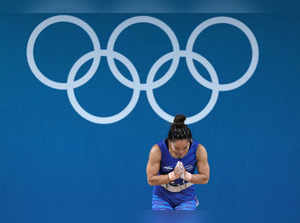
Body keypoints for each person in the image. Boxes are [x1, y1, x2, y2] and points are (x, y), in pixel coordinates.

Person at [146, 114, 210, 210]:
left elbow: (205, 178)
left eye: (185, 148)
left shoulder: (199, 150)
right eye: (176, 148)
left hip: (187, 198)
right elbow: (151, 180)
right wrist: (172, 176)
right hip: (162, 197)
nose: (181, 152)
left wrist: (186, 175)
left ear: (190, 141)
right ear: (169, 141)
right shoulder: (157, 150)